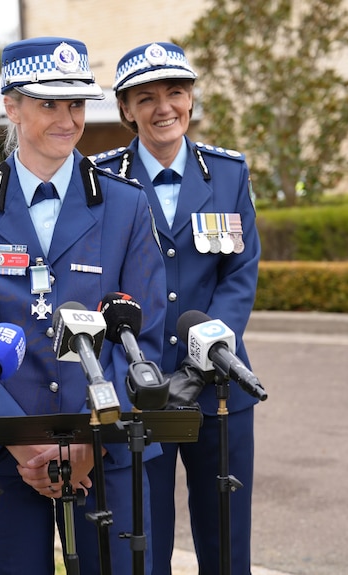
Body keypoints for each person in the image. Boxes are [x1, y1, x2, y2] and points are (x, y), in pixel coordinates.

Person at [0, 36, 167, 575]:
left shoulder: (126, 205)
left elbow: (142, 337)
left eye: (76, 104)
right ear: (11, 106)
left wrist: (90, 438)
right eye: (48, 103)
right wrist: (21, 440)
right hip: (3, 457)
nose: (67, 119)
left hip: (106, 454)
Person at [92, 42, 262, 575]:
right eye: (146, 98)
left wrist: (203, 353)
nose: (164, 107)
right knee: (142, 535)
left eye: (176, 92)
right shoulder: (101, 179)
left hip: (219, 386)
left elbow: (239, 272)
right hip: (136, 386)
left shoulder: (227, 173)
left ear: (191, 99)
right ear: (125, 109)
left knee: (226, 536)